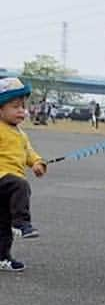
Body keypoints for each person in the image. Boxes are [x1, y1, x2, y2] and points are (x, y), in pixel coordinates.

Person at [0, 77, 46, 273]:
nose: (22, 111)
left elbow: (29, 152)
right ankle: (22, 223)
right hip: (3, 178)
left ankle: (3, 257)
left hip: (8, 188)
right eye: (15, 106)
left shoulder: (20, 134)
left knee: (2, 226)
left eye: (23, 107)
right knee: (20, 185)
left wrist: (37, 163)